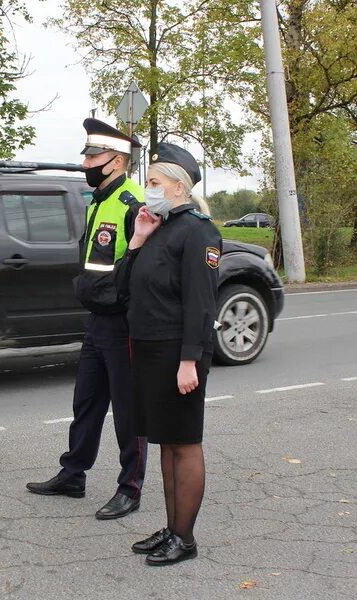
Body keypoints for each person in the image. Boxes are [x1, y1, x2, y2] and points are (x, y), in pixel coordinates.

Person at [26, 118, 148, 520]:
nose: (87, 163)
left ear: (116, 160)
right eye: (87, 155)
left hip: (124, 324)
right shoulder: (99, 198)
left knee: (128, 411)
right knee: (87, 402)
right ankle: (73, 473)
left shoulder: (133, 203)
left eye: (93, 156)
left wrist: (117, 301)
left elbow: (143, 270)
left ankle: (130, 487)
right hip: (98, 320)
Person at [115, 143, 222, 565]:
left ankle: (186, 538)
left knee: (185, 442)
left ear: (179, 187)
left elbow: (201, 302)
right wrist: (138, 239)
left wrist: (189, 361)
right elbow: (123, 287)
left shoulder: (198, 232)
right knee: (165, 442)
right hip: (149, 350)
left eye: (154, 182)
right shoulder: (156, 228)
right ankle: (172, 527)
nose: (148, 189)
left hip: (179, 353)